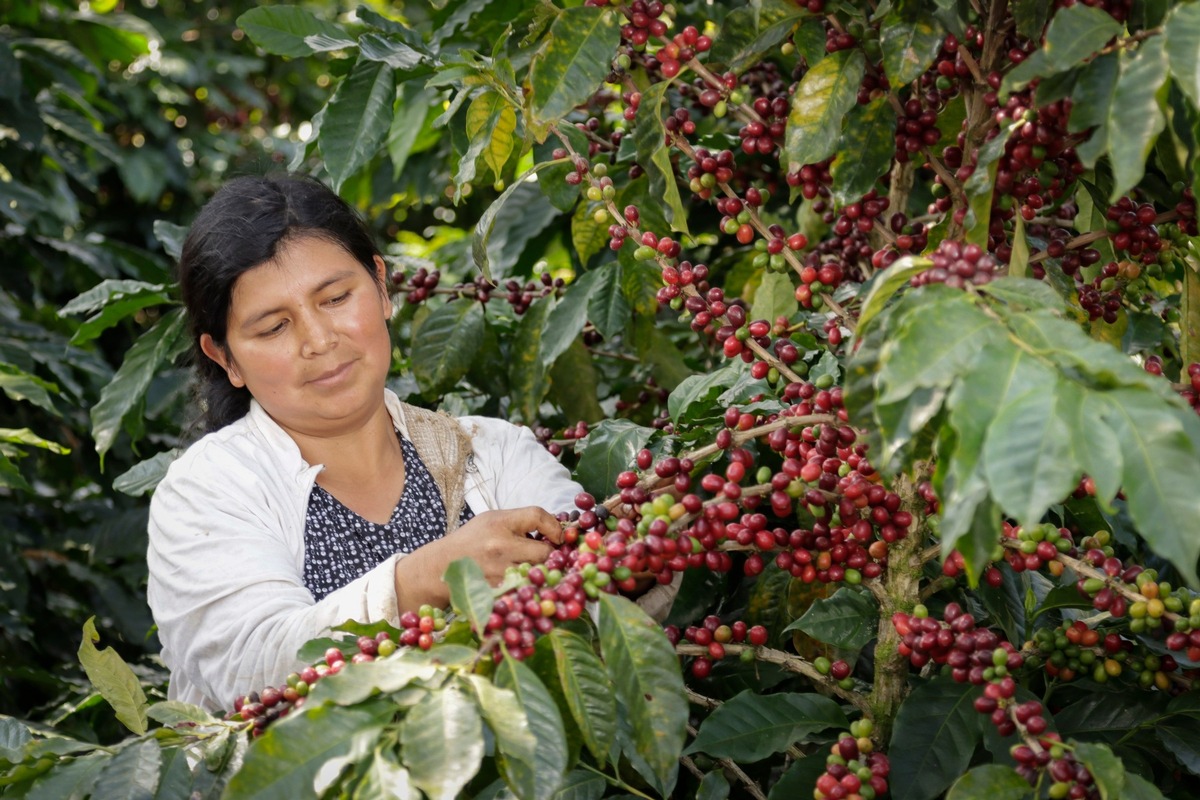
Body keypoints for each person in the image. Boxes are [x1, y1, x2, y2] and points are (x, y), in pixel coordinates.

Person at [147, 173, 583, 711]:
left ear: (380, 286)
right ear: (225, 358)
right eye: (273, 328)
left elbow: (600, 594)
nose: (319, 340)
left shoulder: (497, 454)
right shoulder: (204, 493)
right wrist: (424, 578)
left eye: (334, 298)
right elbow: (250, 673)